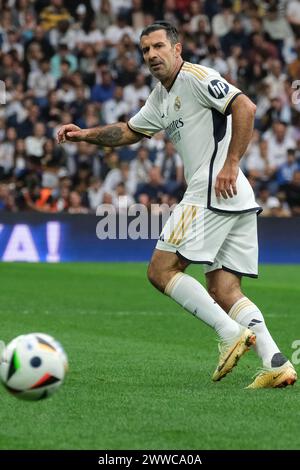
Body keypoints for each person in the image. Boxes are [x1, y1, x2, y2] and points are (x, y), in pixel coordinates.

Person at [57, 21, 297, 389]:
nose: (152, 55)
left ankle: (229, 333)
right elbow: (129, 131)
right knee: (224, 289)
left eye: (158, 46)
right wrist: (83, 135)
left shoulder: (197, 77)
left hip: (213, 186)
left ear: (177, 49)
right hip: (234, 197)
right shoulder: (160, 96)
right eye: (145, 50)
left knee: (160, 270)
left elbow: (245, 107)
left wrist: (231, 163)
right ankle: (276, 362)